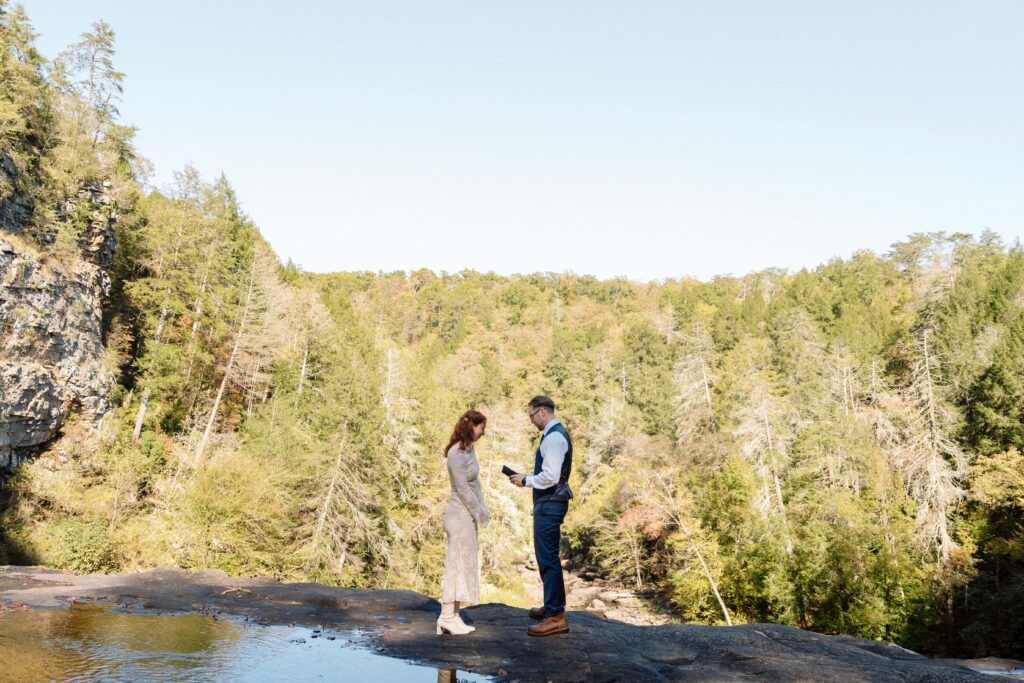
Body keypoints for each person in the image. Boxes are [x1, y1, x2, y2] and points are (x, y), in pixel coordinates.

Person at [508, 395, 573, 637]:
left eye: (532, 415)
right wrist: (526, 476)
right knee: (546, 556)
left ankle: (556, 616)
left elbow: (550, 477)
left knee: (548, 558)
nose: (531, 421)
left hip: (550, 503)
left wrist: (526, 480)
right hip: (551, 501)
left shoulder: (554, 438)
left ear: (542, 411)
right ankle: (551, 607)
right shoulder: (555, 435)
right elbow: (549, 474)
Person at [437, 409, 490, 636]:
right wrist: (480, 512)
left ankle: (455, 617)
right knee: (455, 565)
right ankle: (446, 617)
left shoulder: (469, 449)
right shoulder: (456, 453)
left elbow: (475, 485)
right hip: (458, 516)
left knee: (463, 565)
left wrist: (482, 509)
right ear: (472, 426)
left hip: (468, 516)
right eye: (481, 428)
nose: (483, 433)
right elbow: (462, 488)